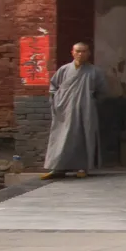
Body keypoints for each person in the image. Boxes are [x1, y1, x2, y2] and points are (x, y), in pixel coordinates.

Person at [42, 42, 104, 179]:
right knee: (60, 137)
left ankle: (82, 167)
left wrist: (91, 101)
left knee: (83, 136)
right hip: (65, 109)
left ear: (89, 53)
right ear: (72, 52)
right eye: (78, 51)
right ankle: (58, 168)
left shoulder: (94, 71)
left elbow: (102, 91)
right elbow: (53, 87)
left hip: (85, 109)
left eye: (84, 51)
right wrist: (58, 102)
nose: (80, 54)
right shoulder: (64, 70)